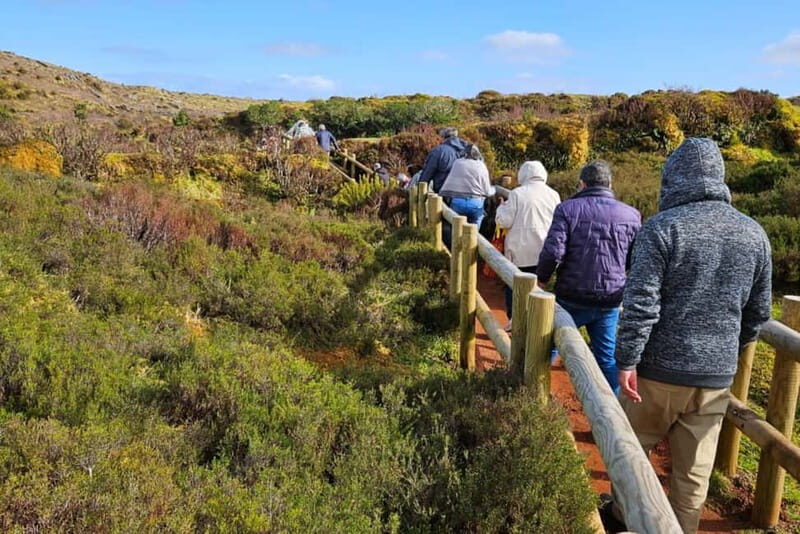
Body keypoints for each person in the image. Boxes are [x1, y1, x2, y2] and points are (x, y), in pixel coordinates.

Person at [608, 138, 772, 534]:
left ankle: (623, 521)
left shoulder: (662, 228)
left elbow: (642, 303)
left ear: (672, 177)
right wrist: (727, 351)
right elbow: (759, 312)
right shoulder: (755, 235)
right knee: (693, 480)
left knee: (627, 455)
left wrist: (627, 359)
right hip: (714, 379)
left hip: (656, 374)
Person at [536, 160, 641, 394]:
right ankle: (611, 419)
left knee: (547, 347)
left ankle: (534, 396)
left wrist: (541, 279)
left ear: (581, 184)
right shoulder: (632, 215)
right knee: (606, 358)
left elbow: (553, 251)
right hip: (610, 299)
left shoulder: (567, 209)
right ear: (610, 184)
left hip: (572, 294)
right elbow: (635, 259)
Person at [495, 161, 560, 332]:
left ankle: (514, 321)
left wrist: (500, 209)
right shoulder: (554, 195)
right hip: (544, 250)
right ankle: (536, 324)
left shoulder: (517, 194)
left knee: (514, 286)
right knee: (538, 288)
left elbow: (504, 221)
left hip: (519, 250)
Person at [439, 144, 495, 230]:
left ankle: (455, 242)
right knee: (474, 231)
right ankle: (474, 240)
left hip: (458, 202)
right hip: (476, 203)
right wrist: (494, 190)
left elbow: (449, 182)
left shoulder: (458, 163)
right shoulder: (481, 165)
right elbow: (487, 191)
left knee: (456, 229)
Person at [419, 127, 468, 194]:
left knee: (417, 175)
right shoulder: (470, 150)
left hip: (445, 195)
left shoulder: (439, 151)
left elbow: (426, 176)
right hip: (470, 194)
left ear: (442, 137)